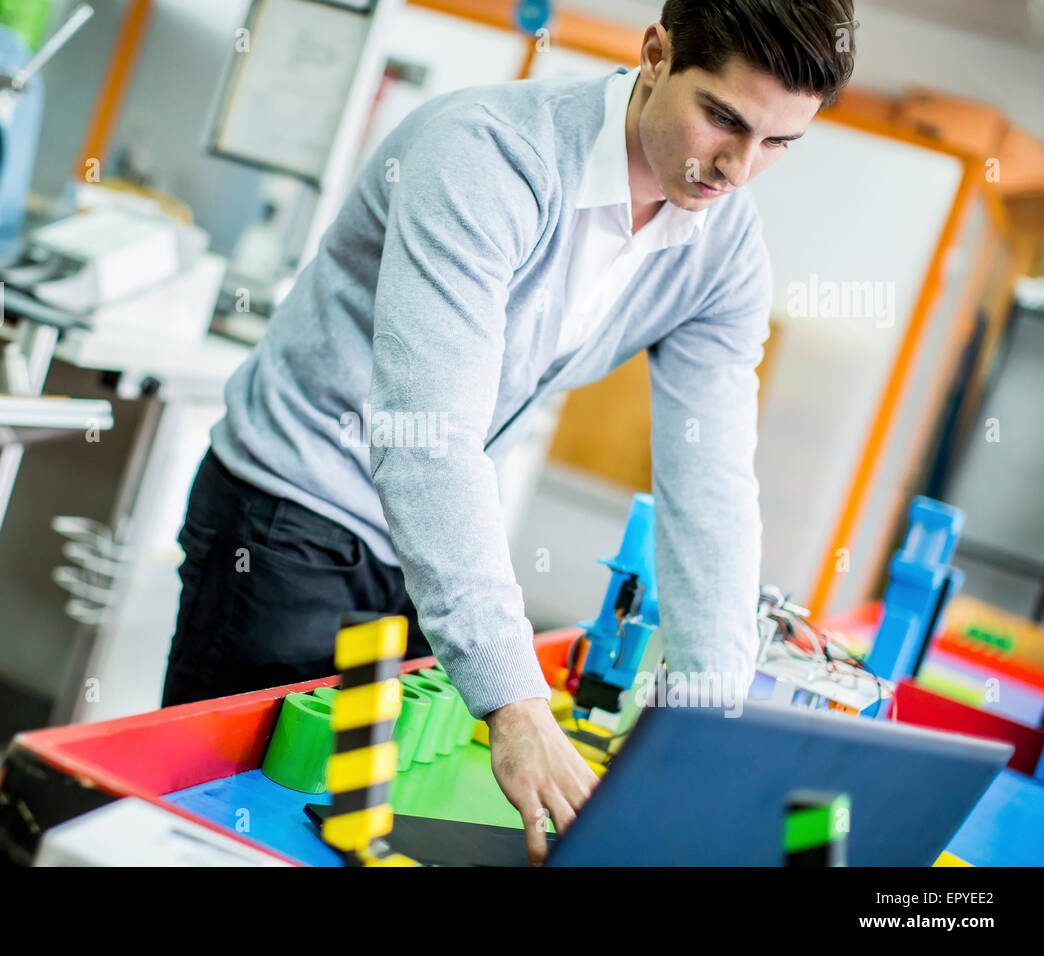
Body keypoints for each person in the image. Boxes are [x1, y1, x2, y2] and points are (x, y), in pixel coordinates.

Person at [163, 0, 856, 863]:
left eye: (779, 143)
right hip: (291, 515)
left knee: (351, 837)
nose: (738, 167)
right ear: (655, 54)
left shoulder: (723, 249)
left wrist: (705, 728)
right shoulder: (488, 154)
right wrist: (516, 703)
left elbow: (709, 482)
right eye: (723, 117)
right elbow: (426, 438)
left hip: (429, 550)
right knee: (226, 831)